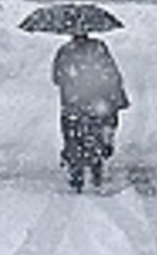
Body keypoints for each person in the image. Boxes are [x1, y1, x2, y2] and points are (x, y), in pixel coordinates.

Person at [52, 31, 129, 192]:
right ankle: (96, 169)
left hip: (73, 104)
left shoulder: (65, 51)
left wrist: (71, 82)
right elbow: (111, 72)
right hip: (96, 102)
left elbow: (56, 77)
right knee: (96, 136)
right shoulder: (99, 48)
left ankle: (76, 174)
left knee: (73, 138)